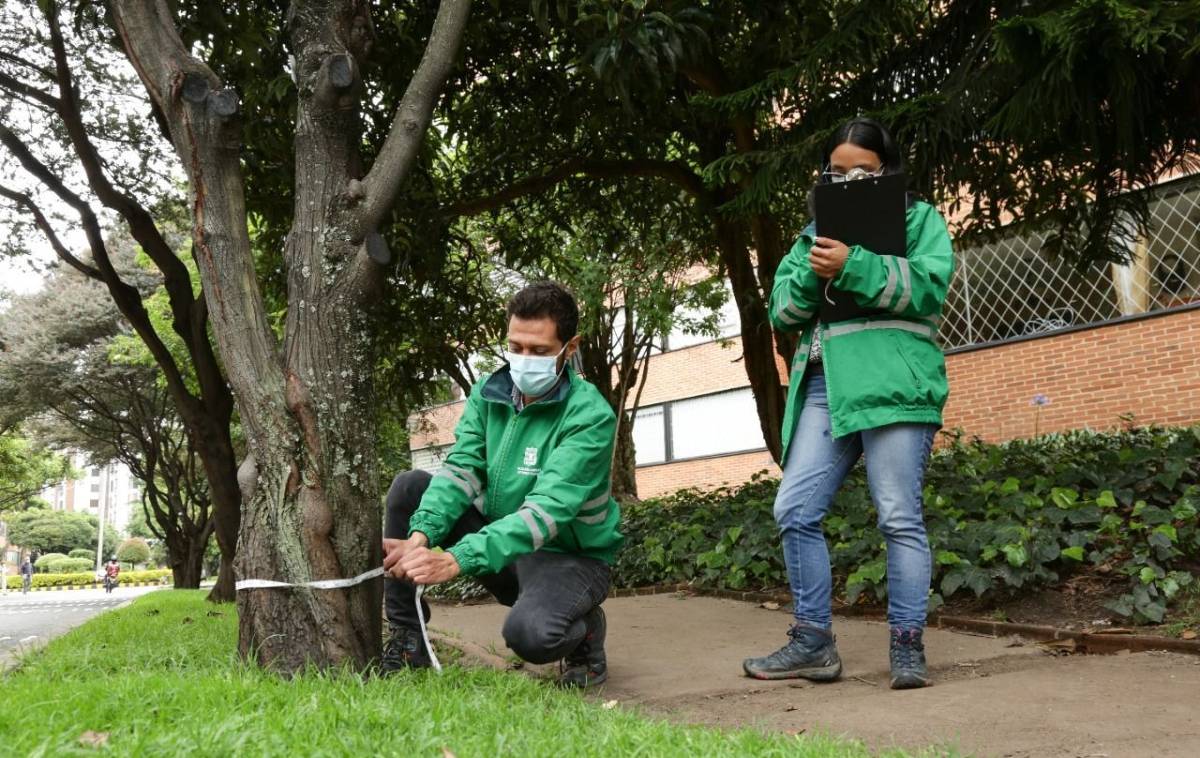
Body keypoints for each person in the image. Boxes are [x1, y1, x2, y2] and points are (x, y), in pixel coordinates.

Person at [742, 117, 954, 690]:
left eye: (863, 170)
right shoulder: (811, 235)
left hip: (895, 386)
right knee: (795, 509)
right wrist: (816, 272)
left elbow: (930, 288)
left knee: (899, 517)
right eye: (836, 172)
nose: (849, 180)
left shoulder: (918, 219)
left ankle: (907, 650)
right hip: (825, 385)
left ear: (887, 170)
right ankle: (813, 644)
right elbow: (782, 314)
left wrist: (854, 265)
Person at [382, 281, 623, 688]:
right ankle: (408, 640)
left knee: (531, 636)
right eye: (516, 347)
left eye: (540, 351)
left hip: (570, 557)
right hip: (507, 546)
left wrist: (456, 559)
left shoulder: (590, 417)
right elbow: (461, 470)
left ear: (571, 347)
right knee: (411, 487)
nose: (524, 360)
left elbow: (545, 514)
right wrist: (421, 536)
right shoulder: (487, 394)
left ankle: (585, 631)